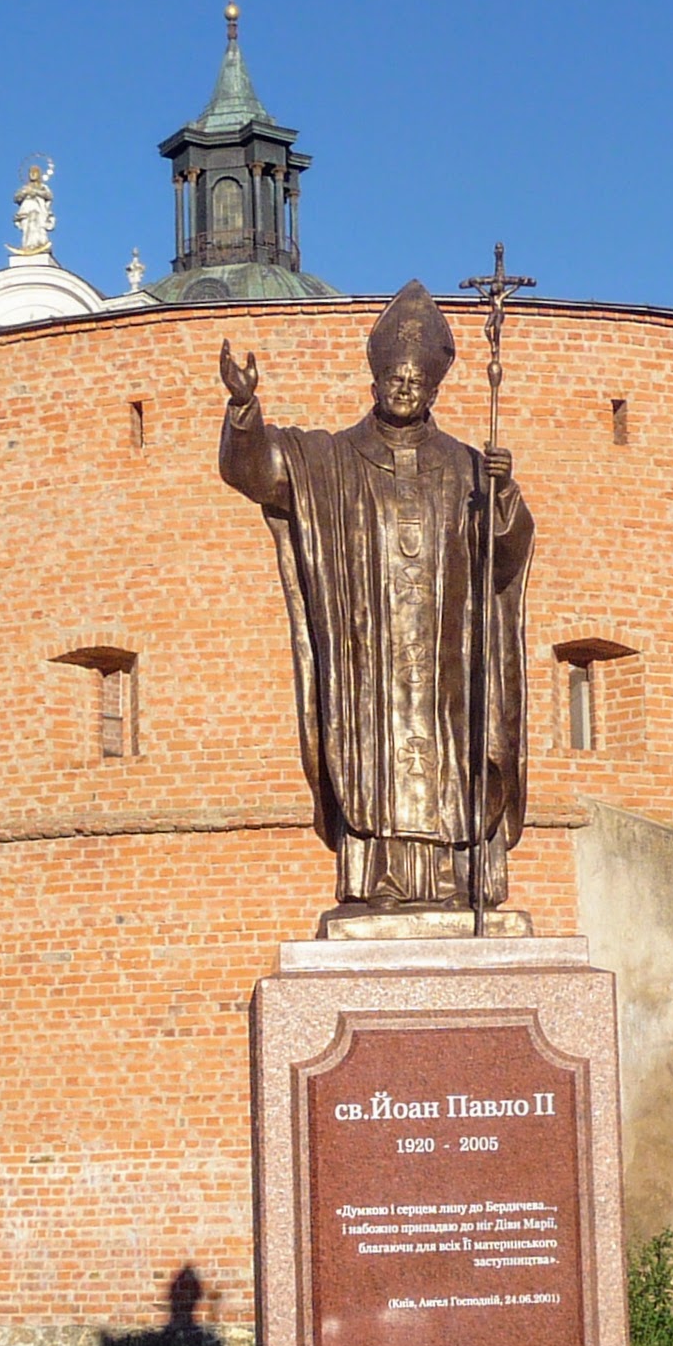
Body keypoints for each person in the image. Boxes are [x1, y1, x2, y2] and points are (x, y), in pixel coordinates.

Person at [218, 280, 534, 920]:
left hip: (450, 661)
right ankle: (379, 883)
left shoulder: (471, 468)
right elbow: (258, 471)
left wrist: (503, 501)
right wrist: (245, 411)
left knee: (455, 763)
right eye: (394, 382)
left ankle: (460, 881)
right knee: (376, 765)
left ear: (433, 392)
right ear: (375, 384)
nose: (404, 392)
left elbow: (504, 562)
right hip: (370, 661)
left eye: (416, 385)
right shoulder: (331, 459)